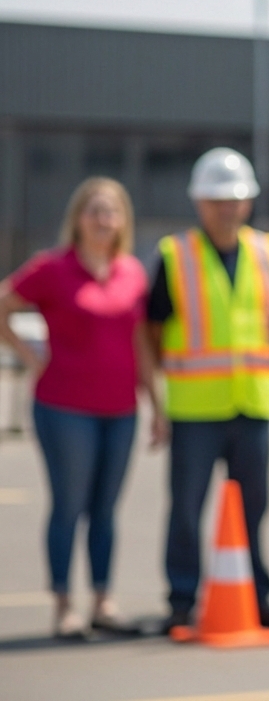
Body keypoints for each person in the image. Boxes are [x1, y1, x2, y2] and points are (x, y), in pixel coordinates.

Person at [0, 178, 161, 638]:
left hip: (121, 409)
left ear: (122, 221)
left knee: (106, 509)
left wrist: (157, 405)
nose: (103, 219)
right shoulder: (52, 268)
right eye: (94, 210)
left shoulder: (131, 272)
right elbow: (3, 305)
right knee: (69, 505)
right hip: (64, 406)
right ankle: (64, 604)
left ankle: (103, 600)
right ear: (78, 218)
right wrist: (29, 356)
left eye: (111, 211)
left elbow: (141, 344)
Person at [147, 147, 269, 632]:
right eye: (216, 199)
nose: (226, 208)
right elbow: (150, 329)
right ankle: (182, 597)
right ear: (199, 203)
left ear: (248, 202)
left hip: (253, 401)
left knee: (256, 507)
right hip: (195, 406)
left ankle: (256, 593)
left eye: (234, 199)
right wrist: (158, 399)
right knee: (187, 507)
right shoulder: (174, 255)